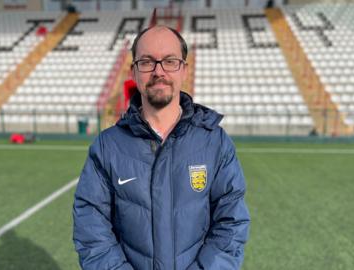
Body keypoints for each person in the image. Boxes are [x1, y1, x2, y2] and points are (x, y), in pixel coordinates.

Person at [73, 25, 250, 270]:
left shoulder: (215, 142)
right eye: (146, 62)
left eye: (170, 61)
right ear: (134, 71)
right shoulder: (107, 146)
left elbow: (231, 223)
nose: (158, 71)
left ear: (184, 70)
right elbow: (91, 229)